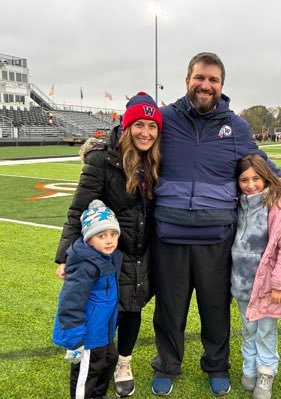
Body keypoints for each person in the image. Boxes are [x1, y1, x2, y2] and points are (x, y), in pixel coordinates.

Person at [150, 52, 281, 397]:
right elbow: (135, 142)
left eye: (213, 80)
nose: (205, 85)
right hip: (169, 233)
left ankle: (216, 364)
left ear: (221, 86)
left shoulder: (236, 127)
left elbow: (265, 167)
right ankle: (167, 363)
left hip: (217, 236)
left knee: (214, 308)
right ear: (187, 80)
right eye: (199, 77)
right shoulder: (164, 119)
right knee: (170, 307)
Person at [55, 92, 162, 398]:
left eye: (152, 126)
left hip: (144, 251)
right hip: (111, 253)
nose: (146, 132)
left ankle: (122, 363)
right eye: (139, 125)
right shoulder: (102, 159)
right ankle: (91, 365)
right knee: (102, 311)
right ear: (126, 127)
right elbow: (79, 209)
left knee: (132, 308)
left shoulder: (156, 160)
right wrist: (64, 255)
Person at [231, 155, 281, 399]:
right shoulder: (238, 204)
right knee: (248, 328)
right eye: (244, 180)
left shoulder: (280, 206)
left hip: (268, 286)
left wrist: (280, 284)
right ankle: (248, 367)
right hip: (242, 282)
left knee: (265, 331)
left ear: (266, 177)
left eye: (256, 179)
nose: (250, 185)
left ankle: (265, 372)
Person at [53, 199, 123, 399]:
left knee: (109, 359)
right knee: (87, 372)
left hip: (103, 330)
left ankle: (97, 395)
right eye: (101, 236)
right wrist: (75, 339)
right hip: (87, 334)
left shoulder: (108, 256)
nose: (109, 240)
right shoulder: (85, 264)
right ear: (88, 239)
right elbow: (70, 303)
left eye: (113, 234)